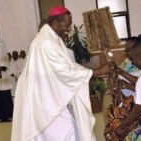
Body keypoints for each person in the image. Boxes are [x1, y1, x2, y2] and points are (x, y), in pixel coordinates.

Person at [11, 6, 111, 141]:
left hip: (51, 96)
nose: (69, 28)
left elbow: (68, 65)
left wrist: (94, 72)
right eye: (67, 24)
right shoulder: (45, 41)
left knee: (68, 130)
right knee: (66, 132)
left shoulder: (52, 39)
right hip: (46, 101)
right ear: (56, 22)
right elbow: (64, 72)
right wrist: (97, 71)